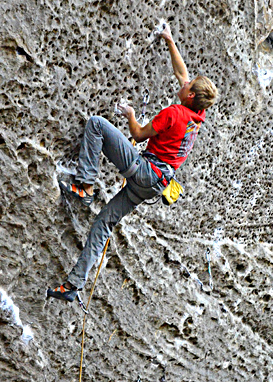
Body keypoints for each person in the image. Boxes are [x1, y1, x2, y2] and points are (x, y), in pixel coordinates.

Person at [47, 24, 218, 304]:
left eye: (187, 86)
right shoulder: (196, 114)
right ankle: (74, 285)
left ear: (189, 96)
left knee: (97, 125)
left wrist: (129, 113)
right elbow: (182, 75)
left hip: (145, 172)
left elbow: (138, 134)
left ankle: (85, 186)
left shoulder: (174, 113)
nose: (183, 83)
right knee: (103, 223)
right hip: (155, 185)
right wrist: (170, 40)